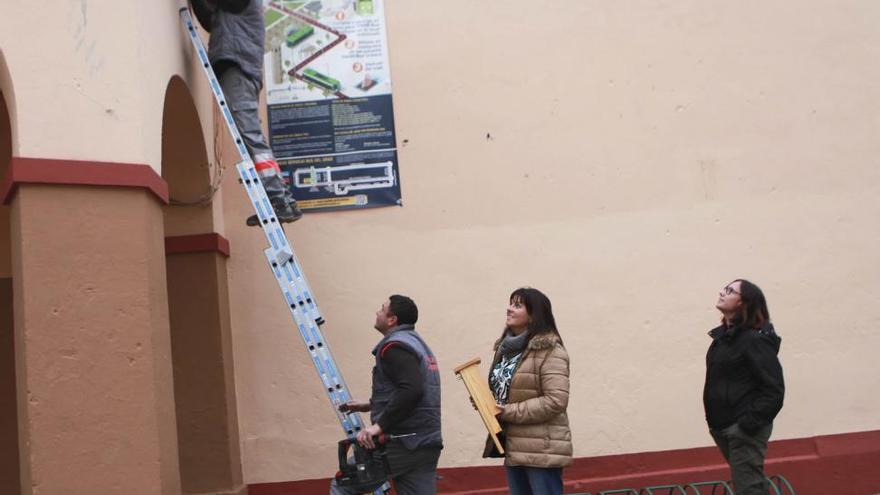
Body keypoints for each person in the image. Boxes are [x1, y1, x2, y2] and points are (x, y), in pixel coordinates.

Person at [189, 0, 302, 226]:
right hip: (238, 67)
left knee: (251, 137)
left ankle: (279, 201)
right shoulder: (231, 10)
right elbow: (209, 19)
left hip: (237, 67)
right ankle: (285, 202)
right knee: (251, 136)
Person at [331, 295, 442, 495]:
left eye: (382, 309)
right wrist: (369, 405)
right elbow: (409, 389)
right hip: (426, 443)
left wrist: (377, 427)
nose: (377, 312)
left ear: (392, 319)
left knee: (343, 487)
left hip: (400, 443)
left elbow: (412, 389)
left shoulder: (394, 347)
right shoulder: (418, 344)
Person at [482, 287, 572, 495]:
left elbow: (556, 401)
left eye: (517, 305)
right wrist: (484, 402)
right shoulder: (506, 350)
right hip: (514, 446)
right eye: (510, 303)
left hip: (542, 451)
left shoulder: (550, 351)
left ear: (533, 316)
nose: (509, 309)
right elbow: (504, 392)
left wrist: (507, 411)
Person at [704, 279, 785, 495]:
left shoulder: (753, 340)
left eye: (730, 291)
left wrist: (747, 425)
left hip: (743, 429)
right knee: (751, 485)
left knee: (748, 488)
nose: (722, 292)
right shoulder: (722, 339)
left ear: (743, 303)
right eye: (724, 288)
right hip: (723, 427)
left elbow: (774, 389)